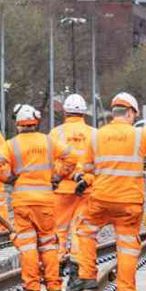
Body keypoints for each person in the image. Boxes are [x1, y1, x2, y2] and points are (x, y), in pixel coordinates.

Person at [66, 92, 146, 291]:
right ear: (129, 112)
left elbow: (85, 168)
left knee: (86, 231)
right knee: (127, 249)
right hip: (129, 204)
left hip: (101, 200)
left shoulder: (97, 136)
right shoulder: (139, 136)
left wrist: (82, 179)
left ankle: (87, 274)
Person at [0, 105, 68, 291]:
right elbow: (71, 157)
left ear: (18, 124)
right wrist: (57, 175)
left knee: (27, 245)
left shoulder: (12, 144)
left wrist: (7, 178)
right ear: (36, 122)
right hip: (45, 202)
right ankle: (54, 288)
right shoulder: (49, 142)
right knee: (48, 243)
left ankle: (32, 288)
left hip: (22, 202)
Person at [50, 94, 98, 276]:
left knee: (59, 228)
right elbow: (100, 164)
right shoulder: (94, 134)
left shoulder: (56, 133)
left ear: (65, 111)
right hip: (86, 189)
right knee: (80, 228)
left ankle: (57, 262)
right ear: (84, 112)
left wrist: (59, 176)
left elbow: (50, 162)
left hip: (62, 189)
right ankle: (77, 264)